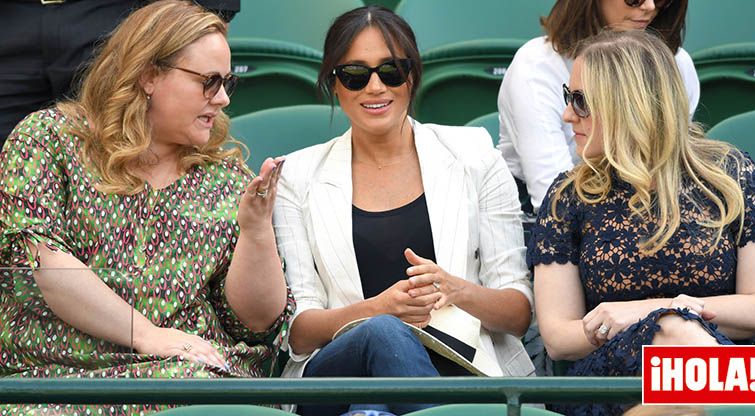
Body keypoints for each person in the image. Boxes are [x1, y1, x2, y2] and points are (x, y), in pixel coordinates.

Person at [0, 1, 292, 414]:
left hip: (190, 380)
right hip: (60, 381)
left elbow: (255, 323)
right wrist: (148, 334)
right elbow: (44, 263)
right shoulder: (48, 141)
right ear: (149, 74)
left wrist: (256, 231)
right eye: (209, 82)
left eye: (227, 82)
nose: (223, 98)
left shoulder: (226, 177)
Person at [273, 6, 534, 416]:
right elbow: (300, 333)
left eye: (391, 71)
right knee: (384, 333)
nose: (375, 87)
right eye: (355, 75)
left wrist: (454, 289)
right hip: (337, 372)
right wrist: (379, 310)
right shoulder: (298, 176)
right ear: (334, 85)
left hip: (460, 367)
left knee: (372, 406)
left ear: (412, 76)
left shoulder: (474, 156)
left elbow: (517, 313)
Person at [531, 29, 755, 416]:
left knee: (678, 340)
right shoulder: (569, 196)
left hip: (725, 367)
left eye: (580, 101)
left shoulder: (732, 176)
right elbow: (558, 338)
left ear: (627, 104)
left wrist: (654, 311)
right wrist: (664, 327)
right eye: (568, 98)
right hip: (618, 381)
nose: (568, 114)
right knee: (675, 338)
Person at [497, 0, 699, 216]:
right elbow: (554, 201)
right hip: (555, 218)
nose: (649, 6)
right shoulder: (536, 65)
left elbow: (672, 165)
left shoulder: (675, 62)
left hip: (650, 207)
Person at [0, 0, 240, 148]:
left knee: (124, 153)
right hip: (12, 22)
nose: (222, 97)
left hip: (117, 26)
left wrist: (188, 31)